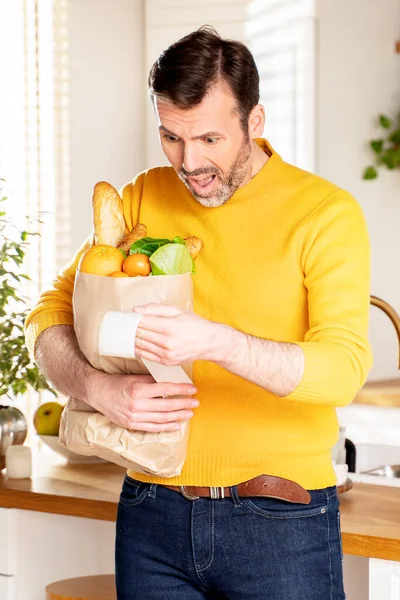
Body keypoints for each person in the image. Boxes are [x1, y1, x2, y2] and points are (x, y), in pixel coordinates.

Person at [25, 25, 372, 600]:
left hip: (280, 521)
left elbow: (344, 369)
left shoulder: (325, 214)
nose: (190, 163)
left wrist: (216, 341)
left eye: (210, 139)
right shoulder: (142, 197)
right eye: (171, 137)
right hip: (152, 511)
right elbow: (47, 313)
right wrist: (95, 386)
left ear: (254, 122)